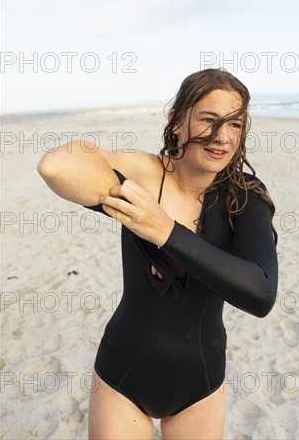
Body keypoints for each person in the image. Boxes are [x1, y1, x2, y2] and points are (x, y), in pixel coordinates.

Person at [37, 68, 278, 440]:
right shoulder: (145, 174)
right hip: (123, 376)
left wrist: (163, 230)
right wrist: (122, 187)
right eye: (208, 120)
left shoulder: (243, 196)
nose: (222, 137)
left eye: (234, 124)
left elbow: (260, 294)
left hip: (201, 384)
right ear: (176, 120)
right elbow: (57, 165)